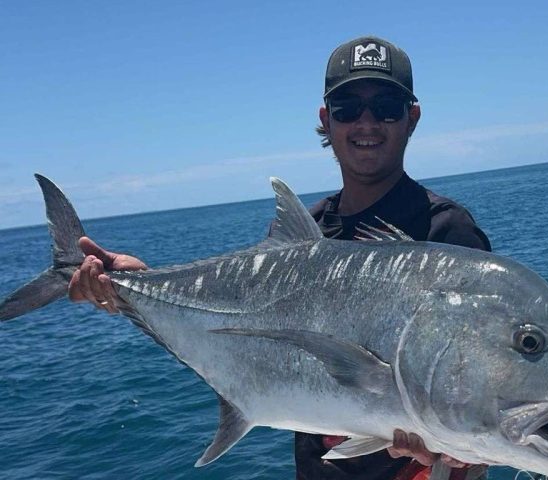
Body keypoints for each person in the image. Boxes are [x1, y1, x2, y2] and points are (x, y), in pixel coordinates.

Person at [69, 36, 491, 480]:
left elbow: (481, 386)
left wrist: (460, 450)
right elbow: (237, 328)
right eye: (348, 108)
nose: (367, 123)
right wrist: (134, 287)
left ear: (412, 118)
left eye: (386, 106)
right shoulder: (300, 236)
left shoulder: (446, 233)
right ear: (327, 121)